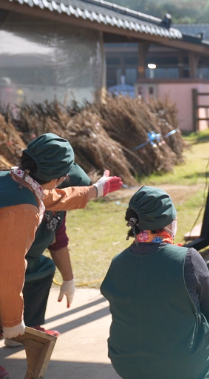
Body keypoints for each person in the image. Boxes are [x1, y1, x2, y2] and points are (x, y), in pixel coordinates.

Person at [0, 134, 122, 379]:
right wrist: (13, 320)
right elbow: (8, 269)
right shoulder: (24, 210)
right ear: (57, 178)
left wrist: (94, 191)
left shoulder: (13, 179)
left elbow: (51, 197)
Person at [101, 187, 209, 379]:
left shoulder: (118, 261)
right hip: (178, 367)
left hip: (126, 364)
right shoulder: (187, 258)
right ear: (169, 222)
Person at [4, 163, 91, 348]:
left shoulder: (58, 212)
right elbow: (9, 262)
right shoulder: (24, 204)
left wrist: (69, 280)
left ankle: (27, 328)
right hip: (8, 259)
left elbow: (59, 243)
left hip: (28, 260)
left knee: (45, 267)